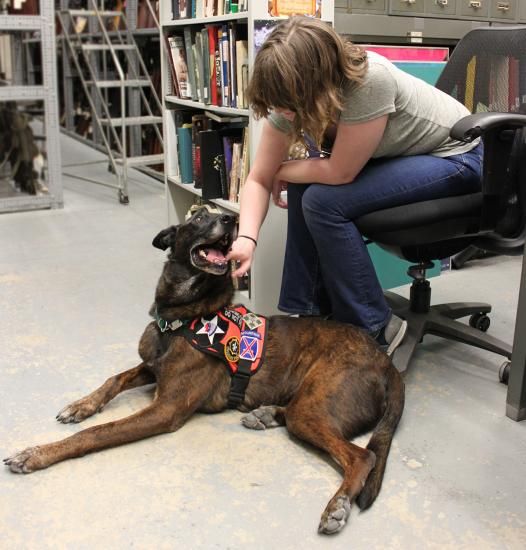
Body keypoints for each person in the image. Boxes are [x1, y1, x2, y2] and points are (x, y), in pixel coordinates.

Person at [226, 16, 483, 355]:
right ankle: (313, 315)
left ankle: (375, 327)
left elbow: (340, 173)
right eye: (278, 106)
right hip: (403, 159)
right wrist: (246, 239)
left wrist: (283, 171)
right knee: (305, 184)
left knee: (320, 198)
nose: (283, 114)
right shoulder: (289, 100)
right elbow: (259, 177)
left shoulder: (367, 80)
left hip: (456, 159)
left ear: (318, 84)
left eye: (290, 106)